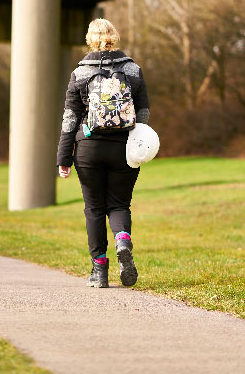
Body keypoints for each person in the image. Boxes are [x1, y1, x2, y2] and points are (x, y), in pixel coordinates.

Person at [57, 19, 150, 288]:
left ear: (90, 39)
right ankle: (122, 240)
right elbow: (143, 111)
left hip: (89, 149)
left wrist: (64, 157)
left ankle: (99, 271)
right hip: (123, 149)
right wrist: (136, 139)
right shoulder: (133, 69)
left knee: (94, 209)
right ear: (114, 37)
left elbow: (70, 118)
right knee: (119, 204)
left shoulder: (80, 72)